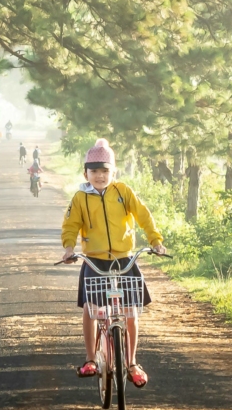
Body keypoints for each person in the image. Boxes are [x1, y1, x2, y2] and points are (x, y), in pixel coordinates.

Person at [60, 138, 168, 387]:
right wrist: (69, 248)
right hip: (95, 261)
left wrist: (156, 241)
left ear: (113, 171)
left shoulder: (123, 192)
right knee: (91, 308)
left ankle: (131, 362)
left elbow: (143, 215)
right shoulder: (80, 198)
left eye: (105, 170)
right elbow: (70, 225)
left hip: (125, 261)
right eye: (94, 171)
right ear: (85, 172)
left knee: (130, 312)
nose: (100, 176)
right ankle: (90, 359)